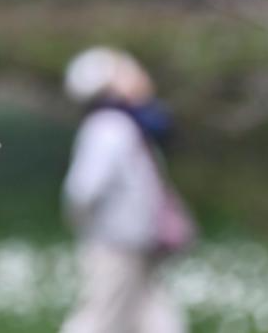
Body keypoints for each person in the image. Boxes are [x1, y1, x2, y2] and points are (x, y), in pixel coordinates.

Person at [60, 48, 194, 333]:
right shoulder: (110, 127)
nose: (140, 75)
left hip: (139, 243)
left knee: (156, 319)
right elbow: (83, 191)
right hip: (117, 244)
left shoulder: (129, 125)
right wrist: (98, 230)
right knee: (102, 318)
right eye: (126, 71)